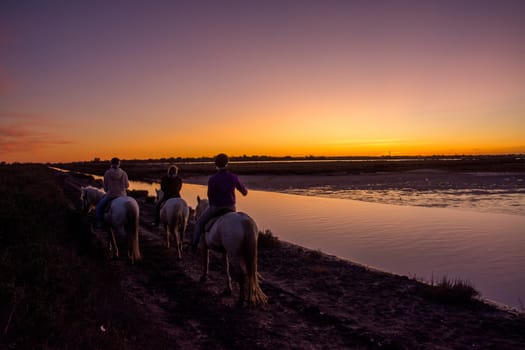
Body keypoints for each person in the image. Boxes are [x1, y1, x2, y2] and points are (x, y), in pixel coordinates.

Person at [191, 153, 248, 253]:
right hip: (231, 208)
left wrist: (214, 203)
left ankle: (194, 246)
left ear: (216, 164)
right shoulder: (234, 177)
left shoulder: (212, 179)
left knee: (199, 222)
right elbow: (244, 192)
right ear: (227, 163)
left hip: (216, 207)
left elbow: (210, 196)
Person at [95, 157, 129, 229]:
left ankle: (99, 223)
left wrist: (108, 190)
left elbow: (105, 188)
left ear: (111, 164)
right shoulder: (124, 173)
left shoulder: (107, 173)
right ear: (119, 164)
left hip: (111, 195)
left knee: (98, 207)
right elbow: (127, 186)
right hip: (123, 196)